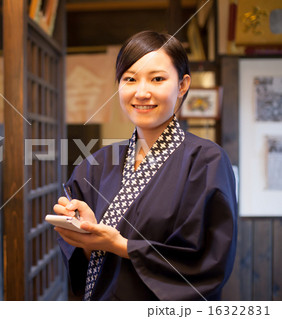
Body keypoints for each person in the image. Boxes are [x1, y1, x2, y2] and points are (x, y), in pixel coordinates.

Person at [53, 31, 237, 301]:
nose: (141, 92)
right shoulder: (96, 164)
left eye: (157, 79)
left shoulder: (207, 161)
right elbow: (82, 262)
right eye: (130, 79)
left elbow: (209, 260)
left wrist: (121, 245)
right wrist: (85, 237)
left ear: (183, 85)